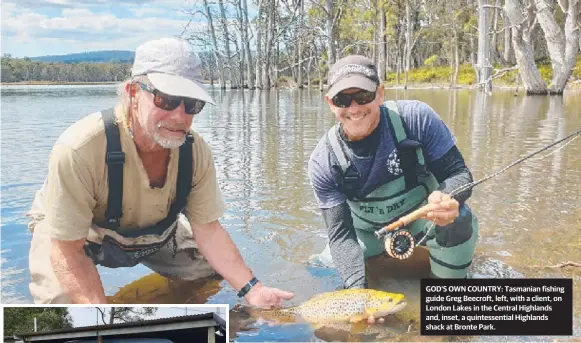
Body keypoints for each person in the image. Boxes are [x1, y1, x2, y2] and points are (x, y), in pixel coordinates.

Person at [26, 37, 295, 306]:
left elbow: (208, 230)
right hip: (73, 235)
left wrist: (254, 290)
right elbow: (67, 250)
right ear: (133, 93)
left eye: (192, 104)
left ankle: (139, 306)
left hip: (155, 234)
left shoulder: (195, 152)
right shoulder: (78, 149)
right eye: (166, 100)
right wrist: (101, 323)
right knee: (65, 308)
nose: (180, 117)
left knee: (206, 274)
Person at [308, 55, 478, 291]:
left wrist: (448, 196)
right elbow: (341, 237)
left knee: (459, 219)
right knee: (320, 268)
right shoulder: (324, 160)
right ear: (330, 102)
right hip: (367, 232)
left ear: (380, 93)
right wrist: (359, 293)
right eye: (343, 99)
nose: (354, 108)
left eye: (363, 96)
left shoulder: (417, 119)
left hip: (424, 221)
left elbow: (459, 174)